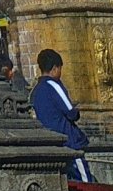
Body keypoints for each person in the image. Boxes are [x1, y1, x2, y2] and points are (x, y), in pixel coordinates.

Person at [30, 48, 93, 182]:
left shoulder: (35, 91)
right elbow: (70, 112)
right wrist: (77, 111)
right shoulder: (53, 85)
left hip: (51, 143)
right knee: (85, 180)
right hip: (68, 141)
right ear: (54, 68)